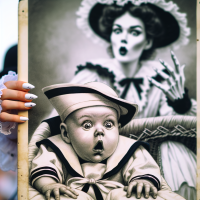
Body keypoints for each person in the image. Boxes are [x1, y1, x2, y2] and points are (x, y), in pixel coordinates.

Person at [0, 0, 196, 199]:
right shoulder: (91, 73)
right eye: (118, 30)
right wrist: (15, 125)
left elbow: (181, 127)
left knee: (174, 149)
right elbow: (57, 120)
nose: (124, 39)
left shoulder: (161, 78)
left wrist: (181, 104)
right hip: (85, 167)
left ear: (147, 41)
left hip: (144, 164)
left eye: (134, 32)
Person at [29, 81, 185, 200]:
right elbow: (43, 168)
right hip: (75, 194)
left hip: (117, 195)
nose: (99, 131)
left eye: (108, 124)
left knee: (128, 195)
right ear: (65, 133)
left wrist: (143, 181)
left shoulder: (130, 149)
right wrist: (49, 184)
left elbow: (144, 168)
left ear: (118, 128)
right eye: (87, 124)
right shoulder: (55, 147)